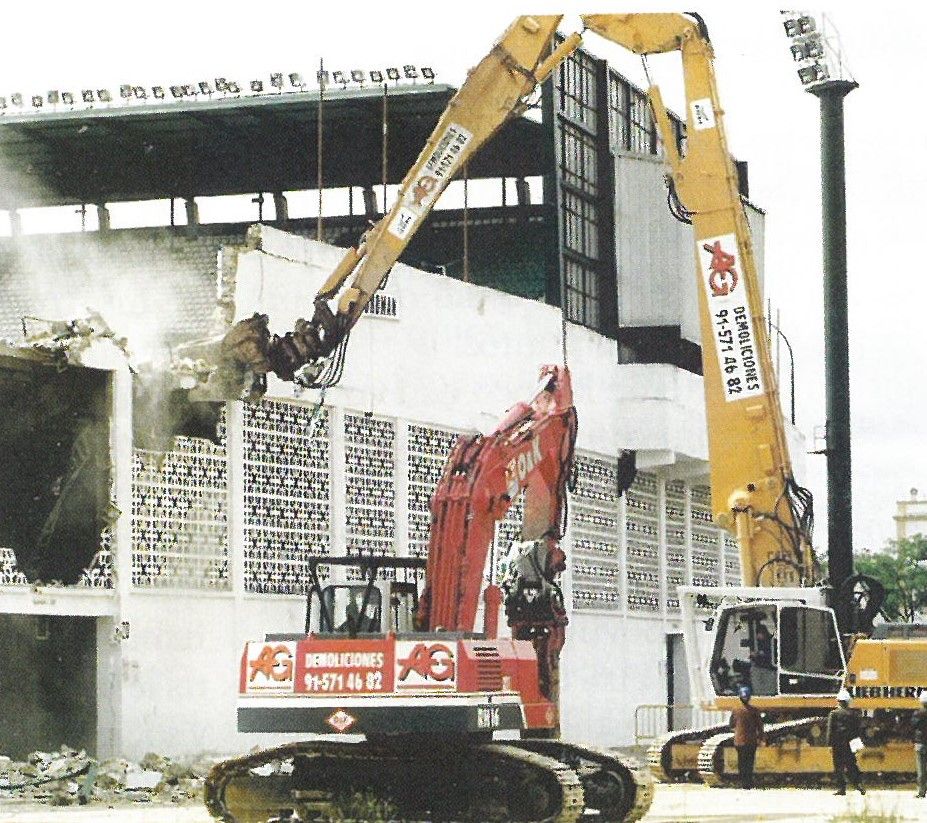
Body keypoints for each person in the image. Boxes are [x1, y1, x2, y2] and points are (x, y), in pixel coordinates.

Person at [827, 689, 865, 795]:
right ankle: (859, 785)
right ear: (847, 701)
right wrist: (857, 743)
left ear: (839, 701)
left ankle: (841, 789)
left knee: (838, 766)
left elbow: (830, 730)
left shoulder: (833, 714)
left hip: (837, 744)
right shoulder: (853, 714)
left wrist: (829, 744)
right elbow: (858, 730)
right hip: (849, 744)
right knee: (851, 765)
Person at [729, 683, 764, 789]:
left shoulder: (735, 710)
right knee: (749, 763)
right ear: (749, 697)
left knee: (741, 762)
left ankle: (743, 783)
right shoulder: (754, 711)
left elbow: (731, 724)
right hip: (751, 741)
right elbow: (760, 726)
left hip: (739, 741)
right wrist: (761, 738)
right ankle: (748, 783)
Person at [914, 690, 927, 798]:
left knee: (921, 771)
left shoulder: (918, 714)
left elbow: (913, 726)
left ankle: (921, 792)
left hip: (921, 744)